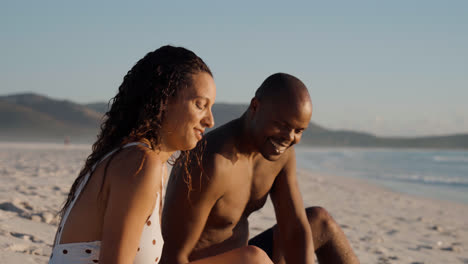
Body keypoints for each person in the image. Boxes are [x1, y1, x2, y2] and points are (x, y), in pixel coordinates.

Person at [49, 45, 272, 264]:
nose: (210, 121)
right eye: (199, 105)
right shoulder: (140, 163)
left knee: (252, 258)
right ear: (163, 100)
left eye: (210, 107)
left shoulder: (138, 160)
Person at [161, 73, 360, 264]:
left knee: (319, 221)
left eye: (298, 131)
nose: (289, 138)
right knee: (254, 258)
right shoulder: (210, 162)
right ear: (255, 107)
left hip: (244, 256)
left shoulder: (279, 154)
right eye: (282, 125)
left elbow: (293, 230)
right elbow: (172, 258)